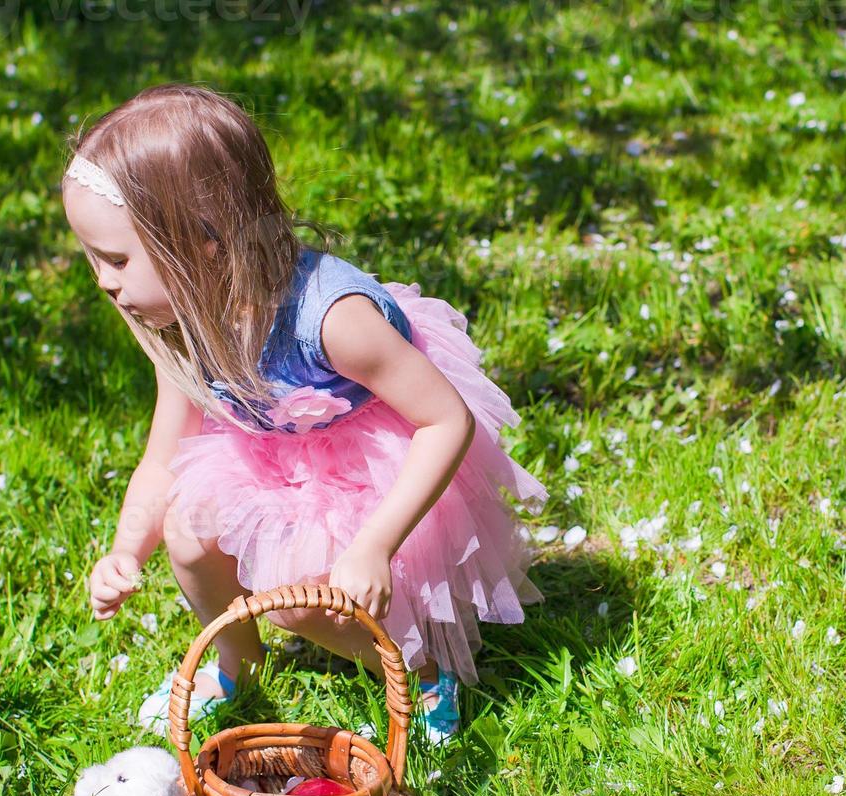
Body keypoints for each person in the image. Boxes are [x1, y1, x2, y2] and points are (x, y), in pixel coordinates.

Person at [61, 83, 546, 746]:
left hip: (376, 459)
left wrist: (374, 545)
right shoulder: (183, 321)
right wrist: (125, 549)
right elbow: (165, 454)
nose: (102, 280)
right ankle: (238, 663)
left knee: (310, 602)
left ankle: (422, 670)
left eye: (115, 259)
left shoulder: (335, 319)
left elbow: (446, 421)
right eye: (93, 257)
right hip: (274, 452)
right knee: (186, 536)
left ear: (200, 244)